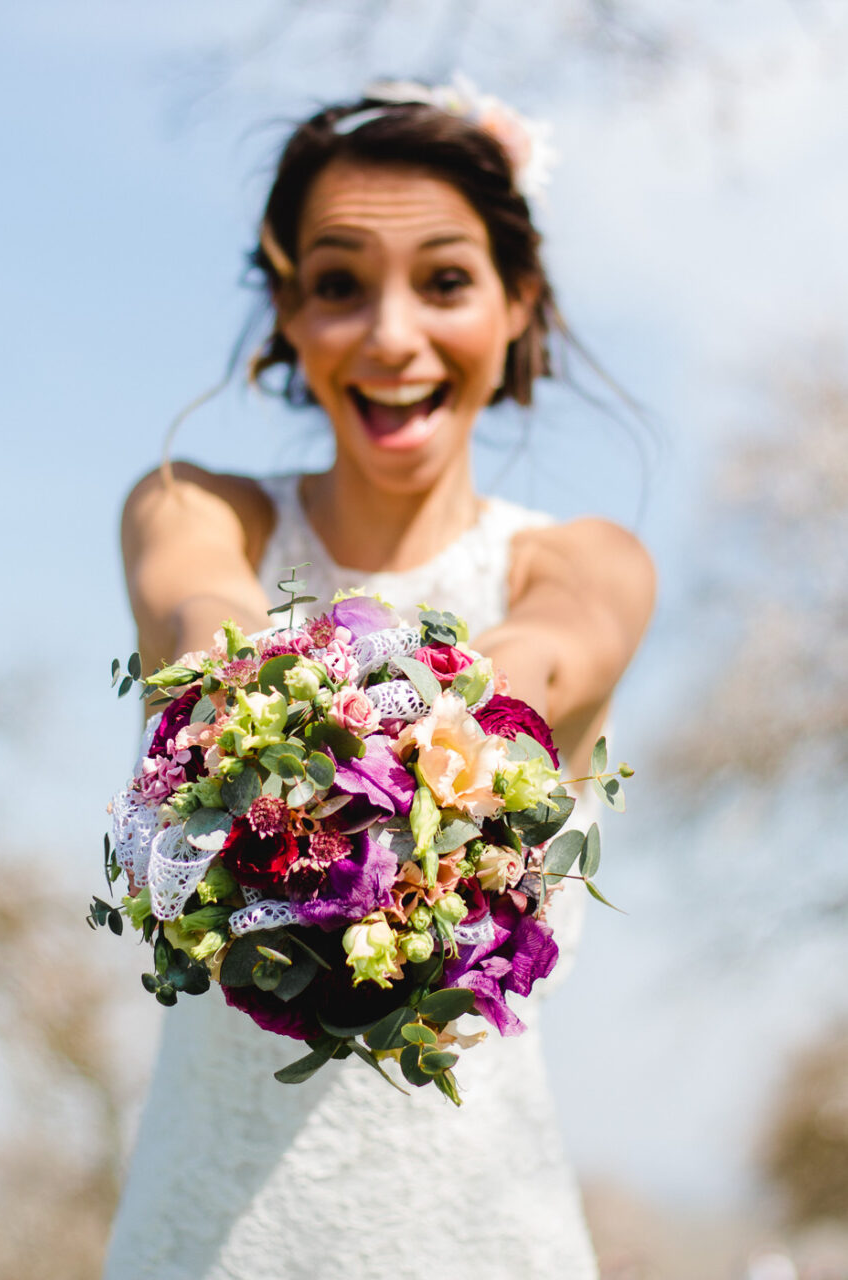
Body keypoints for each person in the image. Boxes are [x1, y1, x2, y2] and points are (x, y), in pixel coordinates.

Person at [105, 81, 655, 1280]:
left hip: (483, 1239)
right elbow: (203, 606)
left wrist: (416, 737)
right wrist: (265, 701)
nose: (392, 336)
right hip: (205, 1243)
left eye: (446, 281)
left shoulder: (586, 563)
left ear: (519, 305)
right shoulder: (200, 510)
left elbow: (541, 661)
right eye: (339, 283)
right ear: (286, 318)